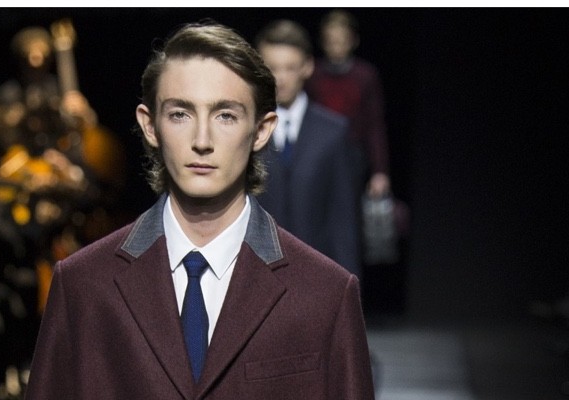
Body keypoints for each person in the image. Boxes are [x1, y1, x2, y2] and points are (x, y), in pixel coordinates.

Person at [25, 21, 374, 399]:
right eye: (180, 114)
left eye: (226, 115)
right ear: (150, 126)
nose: (202, 140)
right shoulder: (83, 287)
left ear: (261, 130)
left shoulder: (326, 295)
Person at [254, 19, 360, 277]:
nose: (280, 78)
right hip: (256, 274)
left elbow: (343, 220)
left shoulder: (333, 132)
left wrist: (349, 287)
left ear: (308, 67)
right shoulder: (246, 130)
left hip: (316, 275)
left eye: (290, 67)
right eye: (272, 67)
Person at [306, 10, 390, 199]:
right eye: (331, 41)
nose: (336, 47)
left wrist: (379, 171)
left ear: (353, 41)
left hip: (352, 155)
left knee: (347, 204)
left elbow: (374, 125)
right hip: (318, 154)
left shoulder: (365, 76)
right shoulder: (312, 74)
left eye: (341, 41)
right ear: (323, 42)